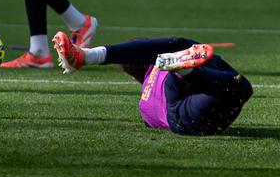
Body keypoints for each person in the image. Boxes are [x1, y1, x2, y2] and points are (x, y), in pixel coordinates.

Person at [53, 33, 253, 137]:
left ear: (134, 79)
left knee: (238, 89)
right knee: (236, 84)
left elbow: (156, 124)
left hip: (181, 117)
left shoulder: (144, 106)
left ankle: (185, 70)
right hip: (180, 87)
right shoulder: (157, 65)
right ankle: (185, 69)